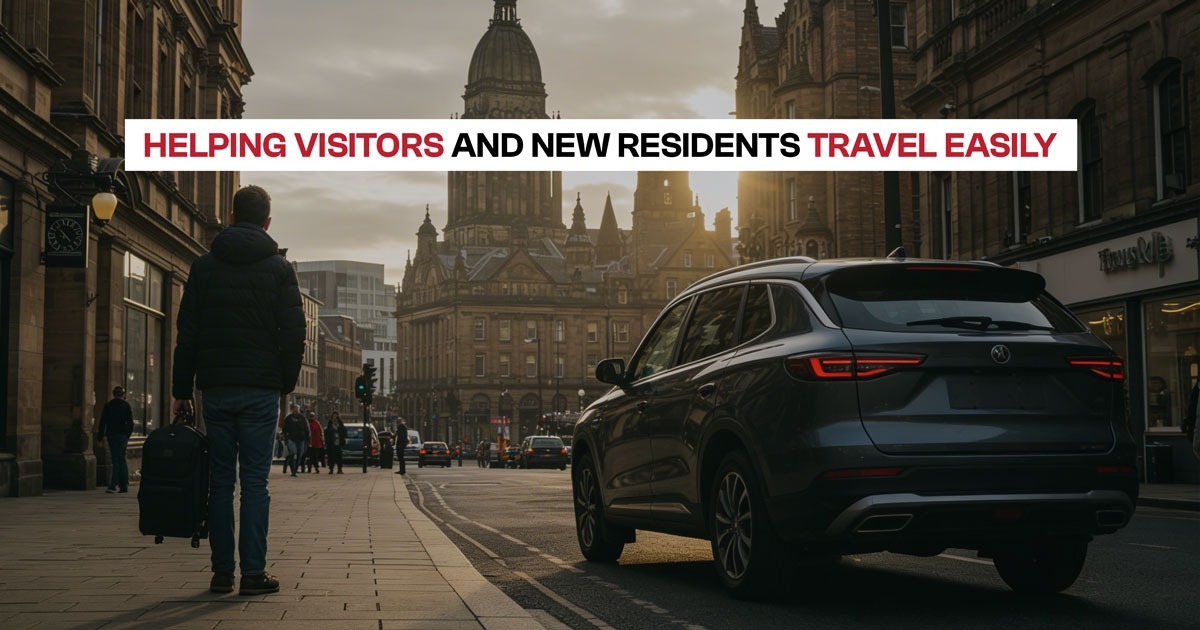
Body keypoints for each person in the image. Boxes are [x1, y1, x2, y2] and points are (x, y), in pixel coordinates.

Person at [172, 184, 304, 597]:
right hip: (261, 389)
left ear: (231, 217)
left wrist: (182, 390)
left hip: (216, 388)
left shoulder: (203, 266)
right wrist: (284, 385)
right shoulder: (280, 270)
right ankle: (253, 573)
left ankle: (221, 572)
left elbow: (187, 333)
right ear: (267, 222)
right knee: (255, 483)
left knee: (220, 481)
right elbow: (294, 334)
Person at [96, 386, 134, 494]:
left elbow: (103, 422)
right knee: (122, 459)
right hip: (122, 435)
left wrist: (100, 438)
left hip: (112, 435)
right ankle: (123, 485)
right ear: (123, 394)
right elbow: (130, 423)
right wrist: (127, 435)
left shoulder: (109, 405)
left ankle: (113, 484)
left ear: (113, 394)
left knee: (115, 459)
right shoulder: (126, 405)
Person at [281, 404, 308, 477]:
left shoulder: (302, 418)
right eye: (294, 409)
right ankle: (293, 471)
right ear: (292, 409)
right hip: (291, 439)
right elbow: (284, 429)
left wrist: (307, 439)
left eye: (297, 409)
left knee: (300, 454)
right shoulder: (289, 418)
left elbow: (306, 428)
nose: (296, 410)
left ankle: (295, 469)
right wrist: (286, 437)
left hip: (301, 439)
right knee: (294, 453)